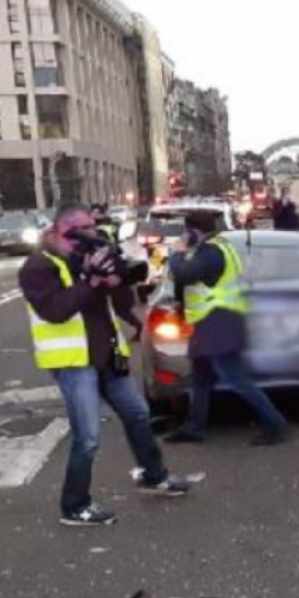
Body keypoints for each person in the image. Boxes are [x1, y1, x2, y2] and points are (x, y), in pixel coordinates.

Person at [20, 203, 190, 526]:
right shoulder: (37, 267)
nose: (86, 237)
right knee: (87, 437)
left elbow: (123, 304)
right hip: (74, 362)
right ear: (56, 232)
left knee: (138, 414)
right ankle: (75, 506)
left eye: (91, 228)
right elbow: (56, 311)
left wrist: (118, 282)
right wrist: (92, 281)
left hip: (109, 354)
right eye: (77, 233)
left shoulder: (91, 257)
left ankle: (155, 476)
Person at [164, 211, 290, 446]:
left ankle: (275, 423)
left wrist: (176, 253)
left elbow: (184, 273)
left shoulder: (211, 252)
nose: (184, 236)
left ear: (194, 231)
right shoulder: (219, 246)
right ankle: (194, 427)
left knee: (235, 377)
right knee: (201, 378)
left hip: (218, 323)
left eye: (186, 231)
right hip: (212, 322)